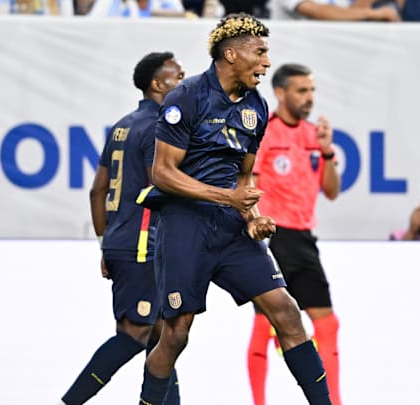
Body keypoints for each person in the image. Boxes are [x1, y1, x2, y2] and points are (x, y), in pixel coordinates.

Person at [136, 13, 332, 405]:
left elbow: (244, 179)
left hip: (229, 229)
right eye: (259, 52)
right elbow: (162, 173)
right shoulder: (186, 97)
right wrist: (228, 198)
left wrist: (253, 218)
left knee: (287, 312)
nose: (266, 62)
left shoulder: (256, 108)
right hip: (183, 227)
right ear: (231, 54)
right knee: (175, 335)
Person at [58, 51, 185, 405]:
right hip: (144, 244)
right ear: (158, 84)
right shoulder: (161, 127)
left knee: (164, 336)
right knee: (136, 332)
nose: (185, 82)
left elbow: (98, 189)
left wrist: (105, 242)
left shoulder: (123, 125)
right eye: (179, 76)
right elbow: (160, 187)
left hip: (122, 240)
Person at [248, 63, 342, 405]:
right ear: (280, 92)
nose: (309, 98)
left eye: (312, 91)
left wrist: (327, 151)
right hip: (275, 237)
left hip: (304, 238)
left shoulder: (312, 135)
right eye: (302, 91)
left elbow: (331, 190)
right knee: (266, 326)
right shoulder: (265, 134)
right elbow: (250, 184)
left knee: (327, 326)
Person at [268, 0, 401, 22]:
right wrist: (373, 13)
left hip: (330, 56)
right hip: (293, 62)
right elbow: (318, 13)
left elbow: (349, 15)